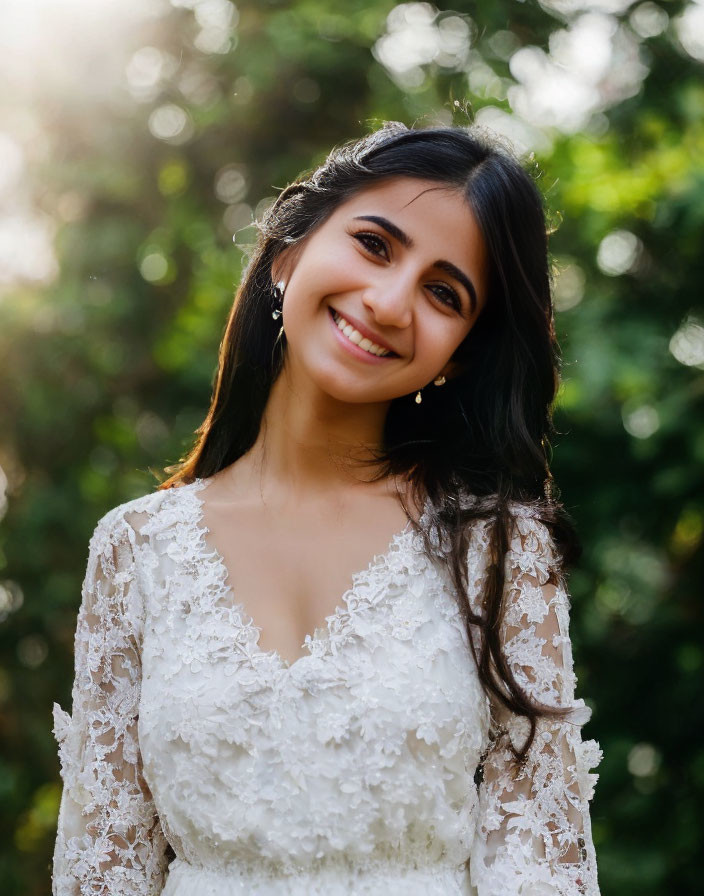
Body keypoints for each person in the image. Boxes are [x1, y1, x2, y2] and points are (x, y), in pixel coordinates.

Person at [51, 122, 602, 895]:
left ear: (460, 353)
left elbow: (541, 869)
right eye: (376, 245)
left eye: (444, 293)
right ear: (289, 252)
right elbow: (101, 869)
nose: (388, 301)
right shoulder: (138, 549)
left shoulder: (500, 550)